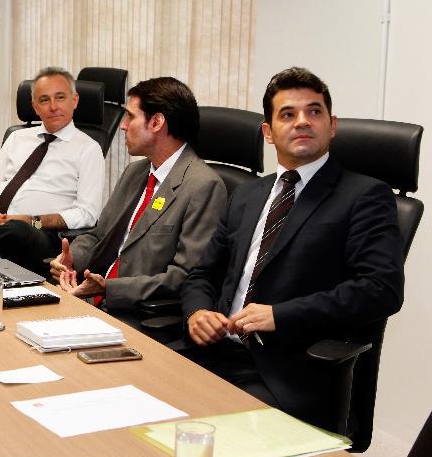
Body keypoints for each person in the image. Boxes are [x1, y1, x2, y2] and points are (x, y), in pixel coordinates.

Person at [180, 67, 404, 430]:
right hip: (212, 350)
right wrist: (198, 312)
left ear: (332, 125)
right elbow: (203, 273)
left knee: (200, 432)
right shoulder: (247, 194)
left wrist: (280, 316)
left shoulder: (365, 196)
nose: (302, 121)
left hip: (283, 370)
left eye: (314, 111)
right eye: (287, 114)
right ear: (268, 132)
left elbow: (381, 291)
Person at [49, 77, 226, 327]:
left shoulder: (203, 186)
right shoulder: (135, 172)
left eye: (130, 117)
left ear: (157, 122)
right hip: (89, 301)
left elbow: (184, 277)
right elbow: (99, 235)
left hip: (137, 316)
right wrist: (71, 259)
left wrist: (110, 288)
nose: (122, 125)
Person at [0, 67, 104, 275]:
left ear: (75, 100)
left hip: (44, 236)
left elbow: (87, 213)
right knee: (8, 232)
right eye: (44, 100)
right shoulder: (17, 138)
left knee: (18, 230)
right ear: (34, 106)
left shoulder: (89, 149)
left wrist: (33, 220)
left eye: (60, 97)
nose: (53, 106)